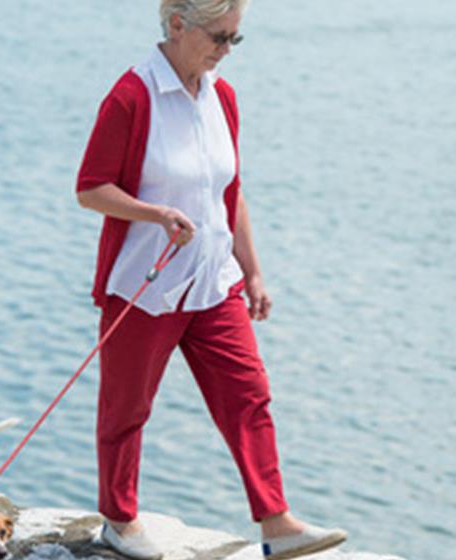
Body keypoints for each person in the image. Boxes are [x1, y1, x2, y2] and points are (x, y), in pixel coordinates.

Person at [75, 1, 348, 559]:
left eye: (235, 40)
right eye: (219, 37)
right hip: (145, 289)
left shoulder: (221, 97)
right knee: (127, 410)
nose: (226, 51)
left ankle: (276, 523)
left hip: (212, 281)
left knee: (249, 397)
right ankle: (119, 522)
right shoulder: (132, 97)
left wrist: (252, 272)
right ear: (177, 26)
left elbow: (231, 191)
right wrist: (155, 214)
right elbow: (90, 188)